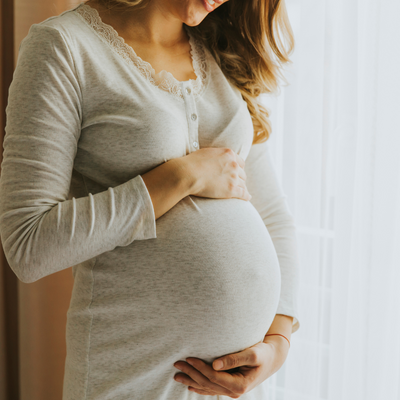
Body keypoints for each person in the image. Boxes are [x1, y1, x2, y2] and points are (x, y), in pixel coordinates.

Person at [0, 0, 301, 398]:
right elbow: (28, 244)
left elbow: (273, 215)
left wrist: (278, 341)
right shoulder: (65, 47)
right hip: (131, 375)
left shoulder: (220, 47)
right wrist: (179, 178)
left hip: (231, 385)